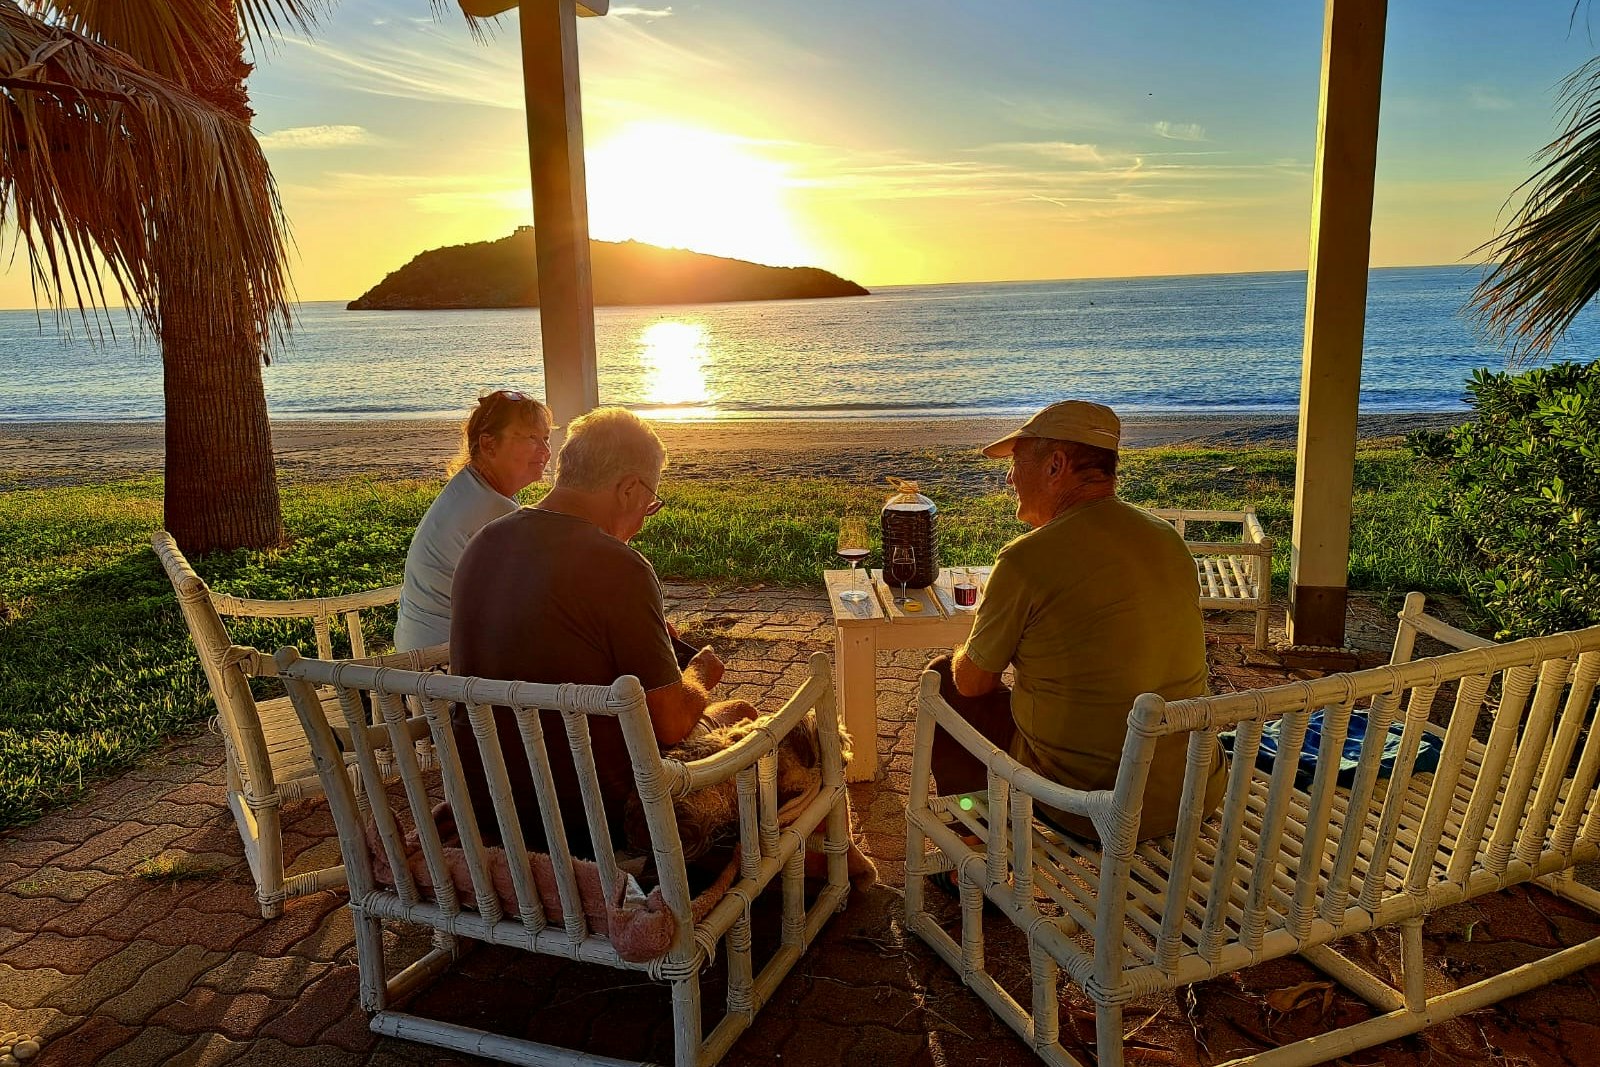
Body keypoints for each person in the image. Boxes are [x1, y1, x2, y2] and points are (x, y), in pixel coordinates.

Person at [449, 406, 748, 860]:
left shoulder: (483, 543)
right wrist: (702, 671)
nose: (645, 518)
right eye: (650, 504)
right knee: (743, 714)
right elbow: (669, 722)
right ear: (629, 487)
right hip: (599, 819)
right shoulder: (618, 566)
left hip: (495, 807)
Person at [931, 399, 1226, 842]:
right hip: (1193, 790)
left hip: (1094, 807)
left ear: (1056, 465)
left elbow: (973, 683)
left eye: (1015, 463)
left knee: (945, 679)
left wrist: (967, 651)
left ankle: (974, 843)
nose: (1009, 478)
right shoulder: (1167, 539)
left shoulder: (1026, 560)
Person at [393, 389, 552, 652]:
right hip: (442, 667)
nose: (545, 451)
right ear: (489, 444)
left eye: (546, 438)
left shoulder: (469, 486)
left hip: (419, 655)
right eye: (531, 438)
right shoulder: (491, 508)